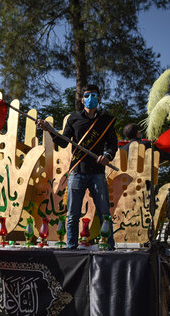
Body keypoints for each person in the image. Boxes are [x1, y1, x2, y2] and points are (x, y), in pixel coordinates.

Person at [36, 85, 117, 250]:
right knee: (73, 214)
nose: (90, 98)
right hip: (77, 171)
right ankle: (71, 247)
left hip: (98, 173)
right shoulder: (73, 118)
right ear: (82, 99)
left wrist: (107, 156)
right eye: (87, 95)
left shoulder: (106, 121)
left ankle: (109, 246)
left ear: (99, 98)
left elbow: (112, 145)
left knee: (104, 214)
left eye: (94, 95)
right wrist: (50, 131)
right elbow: (64, 142)